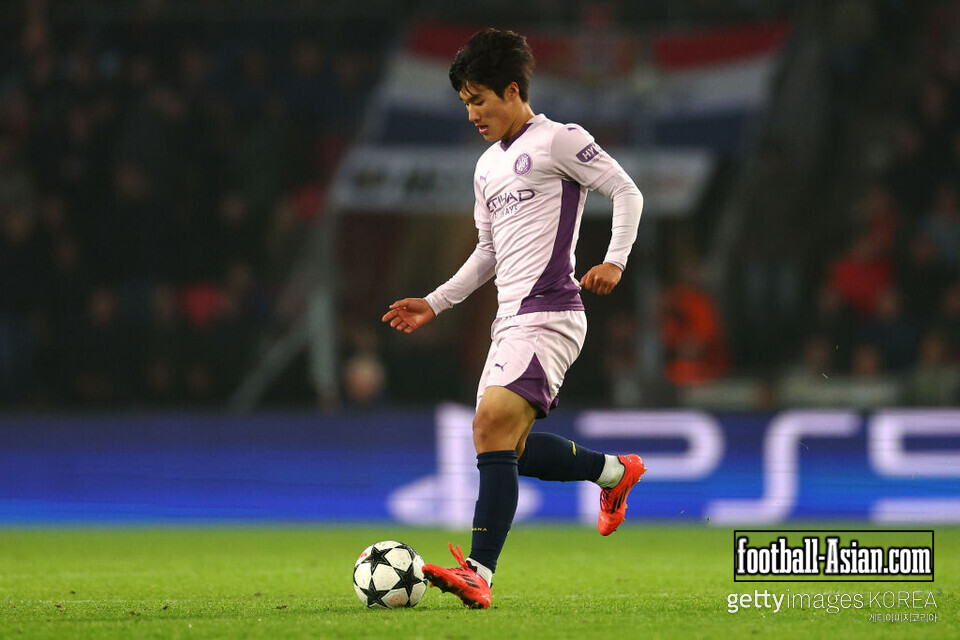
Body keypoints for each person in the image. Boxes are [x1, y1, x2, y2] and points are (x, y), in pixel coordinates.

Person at [381, 28, 645, 609]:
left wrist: (614, 261)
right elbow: (488, 254)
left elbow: (627, 193)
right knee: (510, 447)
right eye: (466, 103)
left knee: (488, 426)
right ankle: (613, 473)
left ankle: (480, 571)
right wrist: (435, 301)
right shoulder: (485, 169)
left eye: (480, 100)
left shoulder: (559, 140)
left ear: (513, 89)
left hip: (551, 310)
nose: (473, 113)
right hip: (510, 322)